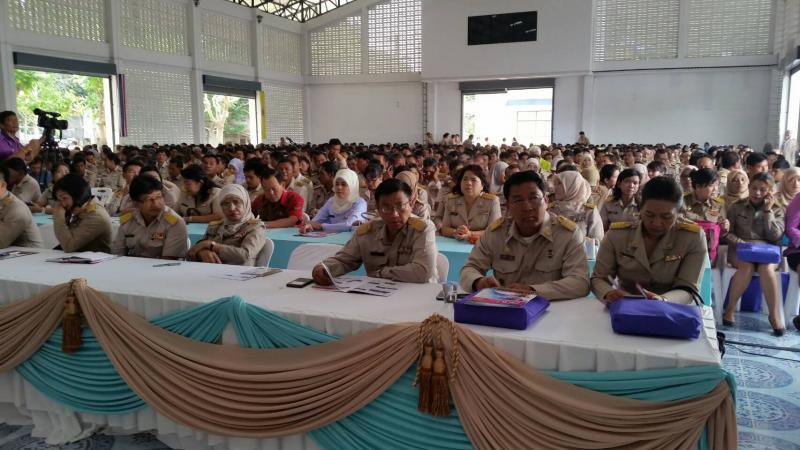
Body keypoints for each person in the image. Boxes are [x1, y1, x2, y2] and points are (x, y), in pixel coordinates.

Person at [459, 171, 589, 300]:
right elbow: (470, 267)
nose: (527, 207)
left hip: (551, 308)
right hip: (505, 307)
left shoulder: (567, 234)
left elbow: (580, 282)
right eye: (518, 200)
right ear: (508, 206)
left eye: (533, 198)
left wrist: (533, 291)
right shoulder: (496, 233)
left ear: (546, 200)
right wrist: (478, 282)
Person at [591, 176, 708, 304]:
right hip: (625, 304)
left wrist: (663, 300)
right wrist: (609, 293)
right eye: (649, 215)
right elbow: (599, 278)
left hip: (672, 306)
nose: (656, 223)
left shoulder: (692, 237)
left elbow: (688, 287)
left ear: (679, 213)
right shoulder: (618, 235)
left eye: (666, 217)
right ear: (640, 209)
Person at [312, 179, 437, 284]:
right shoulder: (367, 231)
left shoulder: (423, 229)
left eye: (400, 206)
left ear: (411, 204)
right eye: (386, 207)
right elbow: (344, 260)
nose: (394, 214)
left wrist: (381, 273)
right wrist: (325, 269)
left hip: (416, 294)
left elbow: (422, 272)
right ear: (377, 208)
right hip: (377, 295)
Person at [723, 172, 786, 335]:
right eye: (754, 188)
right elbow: (727, 233)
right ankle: (730, 309)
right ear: (749, 187)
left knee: (767, 269)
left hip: (768, 252)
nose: (757, 193)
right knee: (747, 266)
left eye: (763, 190)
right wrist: (742, 244)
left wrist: (767, 211)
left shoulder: (778, 209)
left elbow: (775, 236)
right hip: (741, 249)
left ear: (770, 191)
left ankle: (774, 315)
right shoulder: (736, 206)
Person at [188, 184, 267, 266]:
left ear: (245, 202)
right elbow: (191, 252)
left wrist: (211, 246)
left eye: (236, 202)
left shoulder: (255, 227)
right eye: (226, 203)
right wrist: (202, 252)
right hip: (211, 271)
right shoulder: (215, 226)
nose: (231, 208)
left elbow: (245, 255)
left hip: (239, 272)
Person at [112, 175, 188, 259]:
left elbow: (168, 262)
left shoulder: (175, 223)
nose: (156, 204)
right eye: (149, 199)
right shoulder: (128, 220)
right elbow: (118, 254)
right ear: (136, 204)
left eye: (159, 197)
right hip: (131, 265)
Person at [52, 173, 113, 253]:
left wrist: (59, 217)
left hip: (94, 260)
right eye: (59, 200)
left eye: (64, 198)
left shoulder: (96, 216)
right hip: (79, 257)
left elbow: (68, 246)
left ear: (78, 195)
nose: (62, 204)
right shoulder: (82, 209)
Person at [439, 165, 501, 242]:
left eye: (473, 180)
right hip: (456, 243)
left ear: (482, 185)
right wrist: (455, 232)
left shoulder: (492, 201)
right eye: (465, 179)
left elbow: (494, 231)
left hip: (482, 244)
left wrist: (471, 234)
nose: (468, 183)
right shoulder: (451, 200)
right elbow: (444, 228)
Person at [301, 168, 366, 233]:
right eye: (337, 184)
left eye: (343, 184)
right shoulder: (332, 201)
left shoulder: (360, 203)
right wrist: (309, 225)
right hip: (330, 237)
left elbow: (349, 225)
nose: (339, 187)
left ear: (352, 186)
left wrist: (322, 226)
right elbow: (316, 220)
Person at [547, 170, 604, 242]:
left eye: (560, 183)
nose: (555, 188)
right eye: (555, 184)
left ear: (573, 186)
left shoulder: (589, 212)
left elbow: (597, 241)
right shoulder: (550, 209)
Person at [0, 165, 43, 248]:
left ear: (2, 185)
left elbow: (1, 242)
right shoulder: (6, 200)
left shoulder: (17, 209)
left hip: (31, 254)